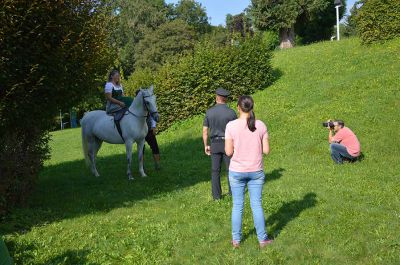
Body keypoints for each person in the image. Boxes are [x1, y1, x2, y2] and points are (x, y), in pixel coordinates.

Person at [225, 95, 272, 248]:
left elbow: (228, 152)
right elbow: (266, 151)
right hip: (256, 171)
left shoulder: (231, 126)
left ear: (238, 108)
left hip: (237, 171)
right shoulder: (261, 125)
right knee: (256, 205)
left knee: (237, 205)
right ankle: (262, 240)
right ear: (252, 108)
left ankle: (236, 241)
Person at [203, 88, 237, 200]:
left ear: (216, 97)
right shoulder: (231, 112)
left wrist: (206, 145)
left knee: (215, 171)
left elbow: (205, 131)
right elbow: (236, 130)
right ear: (225, 98)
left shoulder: (209, 112)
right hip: (228, 143)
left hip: (214, 143)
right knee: (230, 169)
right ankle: (233, 193)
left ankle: (216, 196)